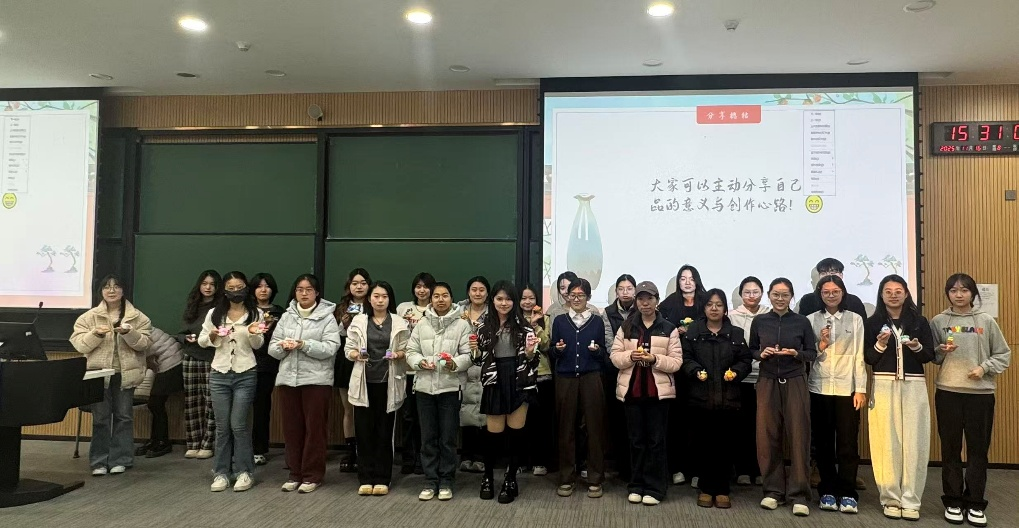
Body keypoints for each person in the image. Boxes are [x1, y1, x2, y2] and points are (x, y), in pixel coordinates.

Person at [930, 273, 1011, 527]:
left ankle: (975, 502)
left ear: (973, 293)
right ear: (948, 293)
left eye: (964, 290)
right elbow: (933, 357)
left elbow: (1003, 354)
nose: (959, 295)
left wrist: (983, 368)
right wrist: (940, 351)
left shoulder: (985, 320)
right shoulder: (939, 321)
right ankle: (953, 501)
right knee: (950, 449)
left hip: (980, 395)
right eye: (954, 290)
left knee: (978, 451)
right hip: (948, 393)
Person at [863, 274, 935, 521]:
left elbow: (929, 355)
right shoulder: (872, 323)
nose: (893, 295)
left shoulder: (919, 321)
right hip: (883, 385)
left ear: (906, 294)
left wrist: (915, 347)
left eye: (898, 291)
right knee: (886, 442)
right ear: (881, 295)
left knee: (915, 442)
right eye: (888, 291)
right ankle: (891, 498)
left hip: (914, 386)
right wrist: (880, 345)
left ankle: (911, 499)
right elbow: (869, 358)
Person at [70, 275, 153, 476]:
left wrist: (129, 333)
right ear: (101, 291)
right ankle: (99, 461)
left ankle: (121, 459)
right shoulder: (88, 317)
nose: (112, 290)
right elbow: (80, 345)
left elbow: (145, 344)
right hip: (98, 374)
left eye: (116, 286)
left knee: (124, 417)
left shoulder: (138, 317)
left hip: (126, 374)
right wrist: (96, 334)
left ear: (123, 291)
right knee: (101, 418)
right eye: (107, 287)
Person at [609, 281, 683, 506]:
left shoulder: (668, 328)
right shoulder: (627, 327)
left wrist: (655, 359)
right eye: (641, 299)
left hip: (657, 395)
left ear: (657, 301)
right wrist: (630, 356)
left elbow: (677, 362)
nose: (645, 303)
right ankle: (636, 485)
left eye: (649, 298)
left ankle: (655, 488)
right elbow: (614, 356)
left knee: (656, 441)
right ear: (636, 302)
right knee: (636, 441)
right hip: (632, 392)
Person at [750, 278, 817, 516]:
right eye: (776, 294)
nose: (780, 299)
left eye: (785, 295)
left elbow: (812, 353)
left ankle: (799, 495)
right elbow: (751, 349)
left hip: (795, 380)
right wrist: (761, 353)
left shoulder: (801, 322)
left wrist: (795, 353)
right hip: (767, 381)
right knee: (767, 437)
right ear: (769, 295)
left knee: (799, 436)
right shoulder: (760, 321)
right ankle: (773, 491)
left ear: (791, 297)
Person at [269, 274, 341, 494]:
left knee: (314, 430)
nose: (304, 293)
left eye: (309, 289)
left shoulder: (327, 317)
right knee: (292, 429)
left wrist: (303, 344)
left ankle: (312, 475)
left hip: (316, 381)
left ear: (317, 293)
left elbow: (331, 348)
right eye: (300, 289)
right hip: (288, 380)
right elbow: (272, 349)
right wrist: (283, 346)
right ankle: (295, 473)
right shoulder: (287, 316)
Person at [681, 288, 751, 509]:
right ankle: (705, 488)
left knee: (725, 445)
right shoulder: (693, 332)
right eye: (710, 304)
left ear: (725, 309)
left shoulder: (736, 334)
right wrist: (694, 370)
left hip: (729, 399)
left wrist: (736, 372)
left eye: (719, 305)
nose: (714, 308)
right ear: (704, 308)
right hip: (700, 398)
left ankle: (722, 489)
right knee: (703, 444)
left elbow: (746, 360)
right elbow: (685, 357)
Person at [471, 280, 539, 504]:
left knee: (516, 433)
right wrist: (474, 351)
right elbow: (476, 359)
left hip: (519, 381)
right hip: (494, 381)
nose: (504, 303)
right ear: (492, 300)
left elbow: (533, 360)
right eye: (499, 298)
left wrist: (530, 352)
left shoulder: (525, 327)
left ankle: (511, 479)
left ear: (514, 301)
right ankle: (488, 477)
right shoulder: (483, 327)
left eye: (508, 299)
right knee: (493, 433)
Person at [198, 271, 267, 492]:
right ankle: (221, 473)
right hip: (219, 373)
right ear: (224, 290)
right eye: (231, 288)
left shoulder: (255, 313)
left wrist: (254, 333)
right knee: (222, 426)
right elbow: (202, 340)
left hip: (245, 372)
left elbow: (258, 344)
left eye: (239, 287)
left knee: (239, 425)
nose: (236, 291)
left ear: (246, 288)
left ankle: (244, 472)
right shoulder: (214, 314)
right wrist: (213, 336)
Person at [405, 282, 474, 501]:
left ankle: (446, 480)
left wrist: (453, 364)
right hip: (424, 388)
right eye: (436, 296)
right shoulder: (422, 323)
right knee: (428, 437)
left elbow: (468, 355)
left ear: (451, 299)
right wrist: (419, 362)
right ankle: (430, 480)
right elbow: (410, 351)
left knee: (447, 438)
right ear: (431, 299)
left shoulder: (462, 324)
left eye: (445, 295)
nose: (440, 299)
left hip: (450, 388)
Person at [806, 276, 866, 514]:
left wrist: (860, 388)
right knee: (823, 444)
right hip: (819, 387)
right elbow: (809, 354)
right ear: (820, 294)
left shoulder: (855, 319)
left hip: (846, 389)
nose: (831, 295)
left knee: (847, 444)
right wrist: (820, 345)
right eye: (826, 292)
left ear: (843, 293)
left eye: (835, 291)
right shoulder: (811, 319)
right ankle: (827, 491)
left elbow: (859, 356)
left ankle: (848, 492)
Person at [344, 281, 410, 497]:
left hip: (388, 383)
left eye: (384, 296)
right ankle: (365, 477)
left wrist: (398, 355)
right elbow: (348, 349)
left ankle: (382, 477)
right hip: (364, 382)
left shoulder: (399, 322)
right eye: (376, 296)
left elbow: (407, 349)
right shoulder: (359, 321)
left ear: (390, 299)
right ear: (369, 299)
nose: (380, 300)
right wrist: (357, 355)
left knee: (384, 432)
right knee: (364, 431)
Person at [551, 277, 607, 499]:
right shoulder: (560, 321)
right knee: (566, 428)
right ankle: (566, 478)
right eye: (572, 295)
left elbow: (604, 353)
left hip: (591, 377)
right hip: (566, 378)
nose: (576, 299)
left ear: (588, 297)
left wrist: (597, 351)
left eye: (581, 295)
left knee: (594, 428)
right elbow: (552, 352)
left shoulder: (596, 321)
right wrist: (558, 349)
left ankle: (595, 478)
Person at [658, 264, 706, 487]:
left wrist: (694, 330)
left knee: (698, 420)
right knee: (676, 420)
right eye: (683, 278)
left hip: (700, 366)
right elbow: (661, 329)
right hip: (676, 368)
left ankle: (697, 470)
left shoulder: (706, 301)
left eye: (691, 278)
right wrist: (675, 331)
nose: (687, 282)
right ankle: (676, 467)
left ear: (697, 280)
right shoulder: (669, 303)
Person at [728, 276, 770, 486]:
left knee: (763, 426)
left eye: (755, 292)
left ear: (762, 293)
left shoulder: (770, 315)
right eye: (747, 292)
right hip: (740, 377)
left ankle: (760, 469)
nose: (751, 296)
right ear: (740, 295)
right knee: (742, 425)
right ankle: (743, 469)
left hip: (766, 376)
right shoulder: (731, 317)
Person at [177, 270, 221, 459]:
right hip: (190, 356)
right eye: (204, 283)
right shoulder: (193, 305)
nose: (208, 287)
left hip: (212, 357)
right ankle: (193, 443)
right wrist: (184, 338)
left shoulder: (220, 308)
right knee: (192, 401)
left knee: (211, 402)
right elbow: (180, 332)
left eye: (212, 284)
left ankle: (208, 444)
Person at [396, 272, 435, 475]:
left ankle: (423, 458)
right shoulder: (403, 308)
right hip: (406, 370)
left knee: (424, 418)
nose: (422, 290)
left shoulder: (437, 309)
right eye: (418, 286)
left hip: (428, 370)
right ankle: (408, 457)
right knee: (408, 416)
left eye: (426, 286)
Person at [334, 268, 372, 472]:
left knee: (367, 408)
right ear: (349, 286)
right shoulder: (340, 307)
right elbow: (333, 335)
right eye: (355, 283)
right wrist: (344, 323)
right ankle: (350, 451)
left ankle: (367, 450)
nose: (359, 287)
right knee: (348, 409)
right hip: (346, 359)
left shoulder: (375, 303)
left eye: (363, 283)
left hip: (369, 358)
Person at [600, 274, 636, 480]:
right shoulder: (608, 312)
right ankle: (622, 466)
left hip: (638, 369)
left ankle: (635, 466)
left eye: (629, 288)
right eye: (621, 289)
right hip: (615, 371)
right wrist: (622, 357)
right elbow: (608, 341)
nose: (625, 292)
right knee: (617, 419)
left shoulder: (642, 310)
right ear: (616, 292)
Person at [249, 272, 284, 466]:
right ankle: (238, 448)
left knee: (262, 407)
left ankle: (259, 449)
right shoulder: (245, 311)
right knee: (240, 408)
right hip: (244, 362)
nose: (263, 290)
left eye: (267, 286)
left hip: (268, 364)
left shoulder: (280, 313)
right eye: (259, 286)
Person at [520, 283, 554, 476]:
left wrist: (535, 325)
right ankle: (520, 461)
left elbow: (547, 345)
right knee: (520, 421)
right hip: (519, 375)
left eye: (531, 298)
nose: (527, 302)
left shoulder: (545, 319)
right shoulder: (512, 319)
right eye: (524, 298)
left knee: (541, 421)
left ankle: (540, 461)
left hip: (542, 374)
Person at [136, 327, 184, 458]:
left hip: (173, 362)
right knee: (155, 404)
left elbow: (138, 355)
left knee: (155, 403)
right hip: (169, 361)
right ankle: (155, 440)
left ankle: (162, 442)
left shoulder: (133, 330)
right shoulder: (137, 325)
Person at [458, 276, 490, 473]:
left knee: (484, 412)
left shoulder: (493, 312)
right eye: (474, 289)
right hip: (464, 367)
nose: (477, 293)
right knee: (466, 411)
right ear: (468, 292)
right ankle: (466, 455)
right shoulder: (459, 311)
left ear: (487, 293)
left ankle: (481, 456)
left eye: (481, 290)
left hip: (486, 367)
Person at [797, 258, 867, 319]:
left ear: (841, 275)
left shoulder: (854, 301)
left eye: (832, 273)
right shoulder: (808, 300)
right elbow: (802, 325)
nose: (828, 276)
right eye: (823, 273)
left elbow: (862, 326)